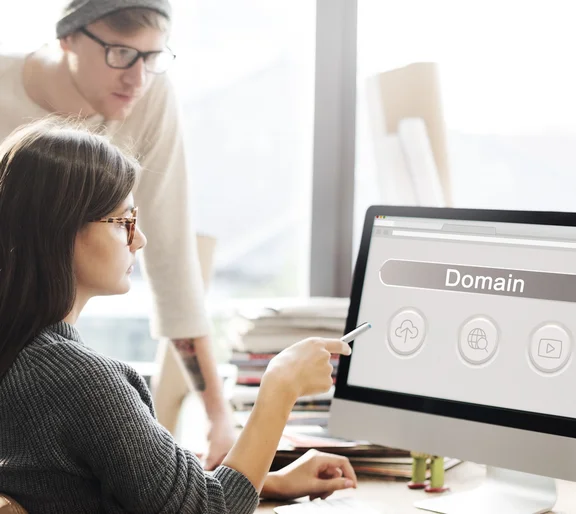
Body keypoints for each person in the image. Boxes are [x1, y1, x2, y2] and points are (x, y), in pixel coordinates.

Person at [0, 118, 357, 513]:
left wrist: (265, 482)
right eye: (124, 222)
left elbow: (99, 488)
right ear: (61, 231)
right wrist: (281, 387)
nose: (140, 239)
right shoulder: (79, 381)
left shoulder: (22, 356)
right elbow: (208, 510)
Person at [0, 0, 236, 469]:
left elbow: (170, 259)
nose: (138, 78)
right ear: (67, 37)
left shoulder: (150, 95)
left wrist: (218, 418)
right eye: (121, 53)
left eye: (153, 57)